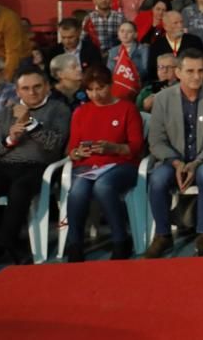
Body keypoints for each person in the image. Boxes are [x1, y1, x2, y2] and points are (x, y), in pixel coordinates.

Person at [0, 67, 70, 271]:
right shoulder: (5, 112)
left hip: (40, 166)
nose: (32, 92)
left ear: (47, 87)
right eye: (26, 88)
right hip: (5, 164)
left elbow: (54, 146)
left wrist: (30, 123)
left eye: (37, 87)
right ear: (18, 91)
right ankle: (9, 245)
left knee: (19, 190)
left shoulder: (59, 109)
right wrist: (9, 140)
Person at [144, 50, 203, 258]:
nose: (196, 76)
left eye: (200, 71)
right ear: (178, 72)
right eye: (190, 71)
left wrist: (197, 162)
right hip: (173, 158)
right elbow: (156, 140)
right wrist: (176, 163)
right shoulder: (163, 99)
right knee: (158, 179)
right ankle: (163, 235)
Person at [64, 66, 145, 261]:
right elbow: (71, 149)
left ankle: (120, 239)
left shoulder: (127, 109)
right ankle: (75, 243)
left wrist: (114, 148)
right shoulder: (81, 112)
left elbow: (135, 147)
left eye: (100, 88)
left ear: (110, 85)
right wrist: (77, 153)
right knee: (77, 191)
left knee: (103, 186)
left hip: (121, 165)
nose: (96, 94)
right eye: (90, 90)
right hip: (87, 166)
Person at [146, 11, 203, 81]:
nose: (180, 26)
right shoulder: (157, 45)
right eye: (175, 23)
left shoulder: (195, 41)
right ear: (165, 26)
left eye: (181, 22)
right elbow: (152, 70)